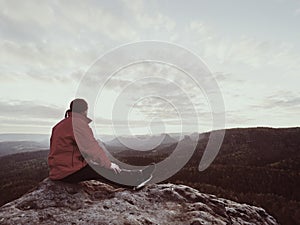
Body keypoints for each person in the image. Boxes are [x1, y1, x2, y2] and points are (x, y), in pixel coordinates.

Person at [48, 98, 154, 188]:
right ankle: (135, 180)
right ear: (85, 111)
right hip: (68, 172)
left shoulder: (59, 125)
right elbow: (92, 147)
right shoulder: (78, 124)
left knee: (95, 166)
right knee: (102, 170)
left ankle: (135, 176)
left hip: (59, 170)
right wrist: (108, 164)